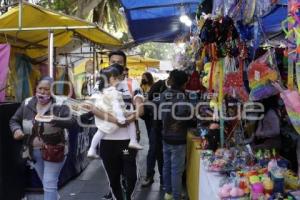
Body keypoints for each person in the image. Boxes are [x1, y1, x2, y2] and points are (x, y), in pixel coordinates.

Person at [86, 50, 144, 200]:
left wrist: (128, 120)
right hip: (107, 141)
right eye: (113, 62)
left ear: (124, 65)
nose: (116, 64)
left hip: (126, 144)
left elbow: (140, 109)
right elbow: (93, 108)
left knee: (131, 176)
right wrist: (116, 121)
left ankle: (128, 196)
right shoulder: (99, 84)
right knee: (113, 178)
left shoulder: (132, 84)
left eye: (119, 62)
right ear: (109, 63)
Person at [9, 76, 75, 200]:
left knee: (49, 182)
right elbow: (14, 120)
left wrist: (55, 120)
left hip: (55, 149)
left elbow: (71, 121)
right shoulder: (27, 103)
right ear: (36, 88)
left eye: (47, 89)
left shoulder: (60, 103)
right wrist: (16, 130)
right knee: (46, 182)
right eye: (40, 88)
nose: (43, 92)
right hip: (33, 150)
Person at [87, 65, 142, 159]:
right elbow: (95, 108)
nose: (117, 80)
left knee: (129, 168)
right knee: (112, 171)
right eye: (114, 78)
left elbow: (140, 109)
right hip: (109, 137)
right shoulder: (111, 91)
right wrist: (120, 120)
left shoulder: (131, 83)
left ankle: (92, 149)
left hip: (124, 139)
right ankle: (133, 141)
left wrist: (126, 118)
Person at [160, 70, 190, 200]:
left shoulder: (164, 94)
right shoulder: (181, 97)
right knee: (176, 170)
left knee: (167, 165)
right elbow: (183, 115)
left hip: (166, 136)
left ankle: (169, 192)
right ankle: (176, 196)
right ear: (183, 84)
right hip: (178, 138)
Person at [141, 74, 172, 187]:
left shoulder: (175, 89)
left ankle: (163, 178)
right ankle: (149, 176)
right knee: (153, 149)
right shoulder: (158, 85)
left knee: (161, 151)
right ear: (169, 79)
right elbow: (147, 103)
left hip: (166, 126)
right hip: (153, 124)